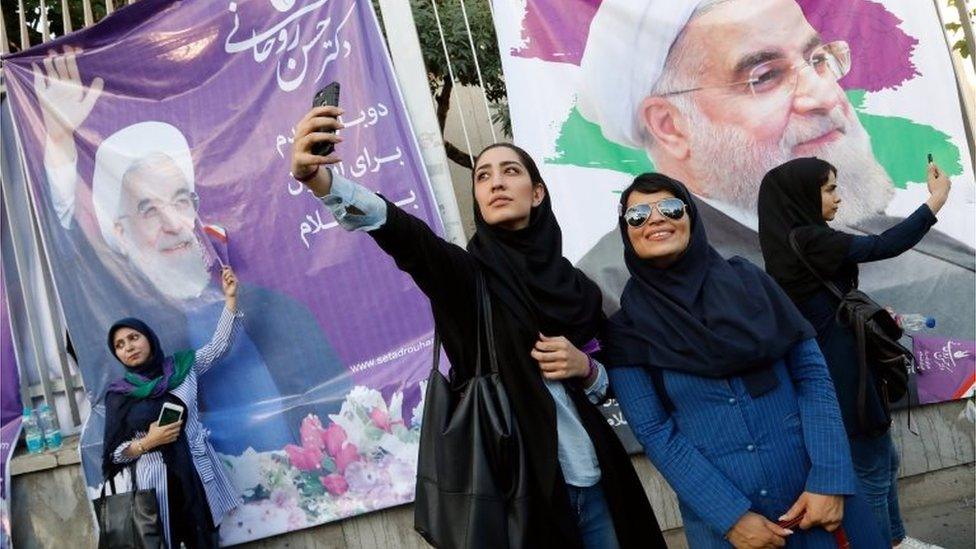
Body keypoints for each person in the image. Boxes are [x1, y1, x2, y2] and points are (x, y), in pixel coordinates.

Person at [288, 105, 665, 548]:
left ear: (537, 193)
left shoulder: (576, 288)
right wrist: (320, 181)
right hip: (518, 501)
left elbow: (618, 377)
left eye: (510, 171)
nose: (497, 182)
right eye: (483, 177)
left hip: (596, 480)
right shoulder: (466, 280)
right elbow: (405, 236)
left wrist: (586, 367)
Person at [574, 0, 973, 341]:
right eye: (764, 77)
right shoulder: (608, 289)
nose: (824, 94)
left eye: (817, 60)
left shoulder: (938, 254)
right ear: (670, 126)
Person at [31, 47, 349, 460]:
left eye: (180, 201)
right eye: (148, 209)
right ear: (121, 233)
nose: (172, 223)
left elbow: (339, 416)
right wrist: (57, 145)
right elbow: (71, 256)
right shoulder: (128, 331)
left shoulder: (278, 310)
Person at [602, 172, 884, 548]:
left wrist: (830, 480)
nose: (656, 219)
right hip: (730, 532)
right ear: (627, 231)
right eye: (638, 215)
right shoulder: (627, 329)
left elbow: (812, 376)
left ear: (691, 217)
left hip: (819, 505)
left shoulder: (751, 283)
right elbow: (655, 431)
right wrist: (730, 517)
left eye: (670, 207)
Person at [758, 156, 951, 549]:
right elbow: (886, 244)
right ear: (802, 196)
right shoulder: (811, 241)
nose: (838, 198)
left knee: (882, 460)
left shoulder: (790, 241)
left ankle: (895, 540)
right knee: (872, 468)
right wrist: (937, 199)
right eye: (829, 189)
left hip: (840, 364)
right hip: (843, 372)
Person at [103, 266, 243, 549]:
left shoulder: (182, 368)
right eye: (120, 345)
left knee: (206, 540)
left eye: (133, 338)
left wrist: (230, 300)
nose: (128, 347)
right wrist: (146, 443)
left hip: (197, 476)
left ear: (148, 338)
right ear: (117, 354)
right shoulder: (120, 395)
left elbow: (218, 347)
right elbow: (113, 455)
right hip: (155, 488)